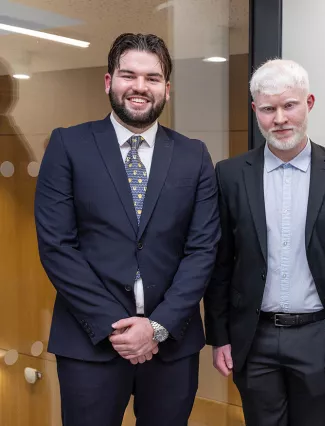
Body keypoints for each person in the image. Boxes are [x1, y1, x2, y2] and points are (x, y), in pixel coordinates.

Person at [34, 33, 220, 426]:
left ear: (167, 89)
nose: (139, 87)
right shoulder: (68, 146)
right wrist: (117, 328)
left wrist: (156, 327)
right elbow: (57, 247)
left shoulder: (194, 155)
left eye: (153, 78)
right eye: (128, 75)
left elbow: (202, 250)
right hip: (90, 341)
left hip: (171, 344)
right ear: (108, 81)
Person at [204, 59, 325, 426]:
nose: (279, 118)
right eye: (268, 109)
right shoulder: (231, 175)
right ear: (255, 111)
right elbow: (220, 261)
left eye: (289, 105)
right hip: (254, 338)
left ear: (309, 103)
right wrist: (219, 337)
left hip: (320, 334)